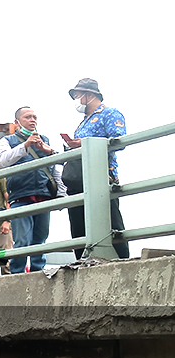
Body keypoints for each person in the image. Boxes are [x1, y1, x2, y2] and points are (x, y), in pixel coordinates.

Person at [63, 78, 130, 260]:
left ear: (89, 95)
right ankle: (82, 259)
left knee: (110, 221)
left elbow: (119, 141)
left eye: (78, 95)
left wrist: (84, 144)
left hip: (102, 175)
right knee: (79, 224)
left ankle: (122, 259)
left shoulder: (109, 114)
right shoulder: (83, 122)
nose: (76, 99)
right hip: (80, 178)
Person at [0, 107, 61, 274]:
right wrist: (25, 145)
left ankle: (37, 272)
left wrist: (48, 151)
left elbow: (57, 165)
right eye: (28, 117)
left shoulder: (44, 139)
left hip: (43, 194)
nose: (33, 120)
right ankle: (17, 273)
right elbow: (4, 160)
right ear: (17, 122)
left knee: (40, 239)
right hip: (20, 196)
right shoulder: (8, 140)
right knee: (22, 240)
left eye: (35, 117)